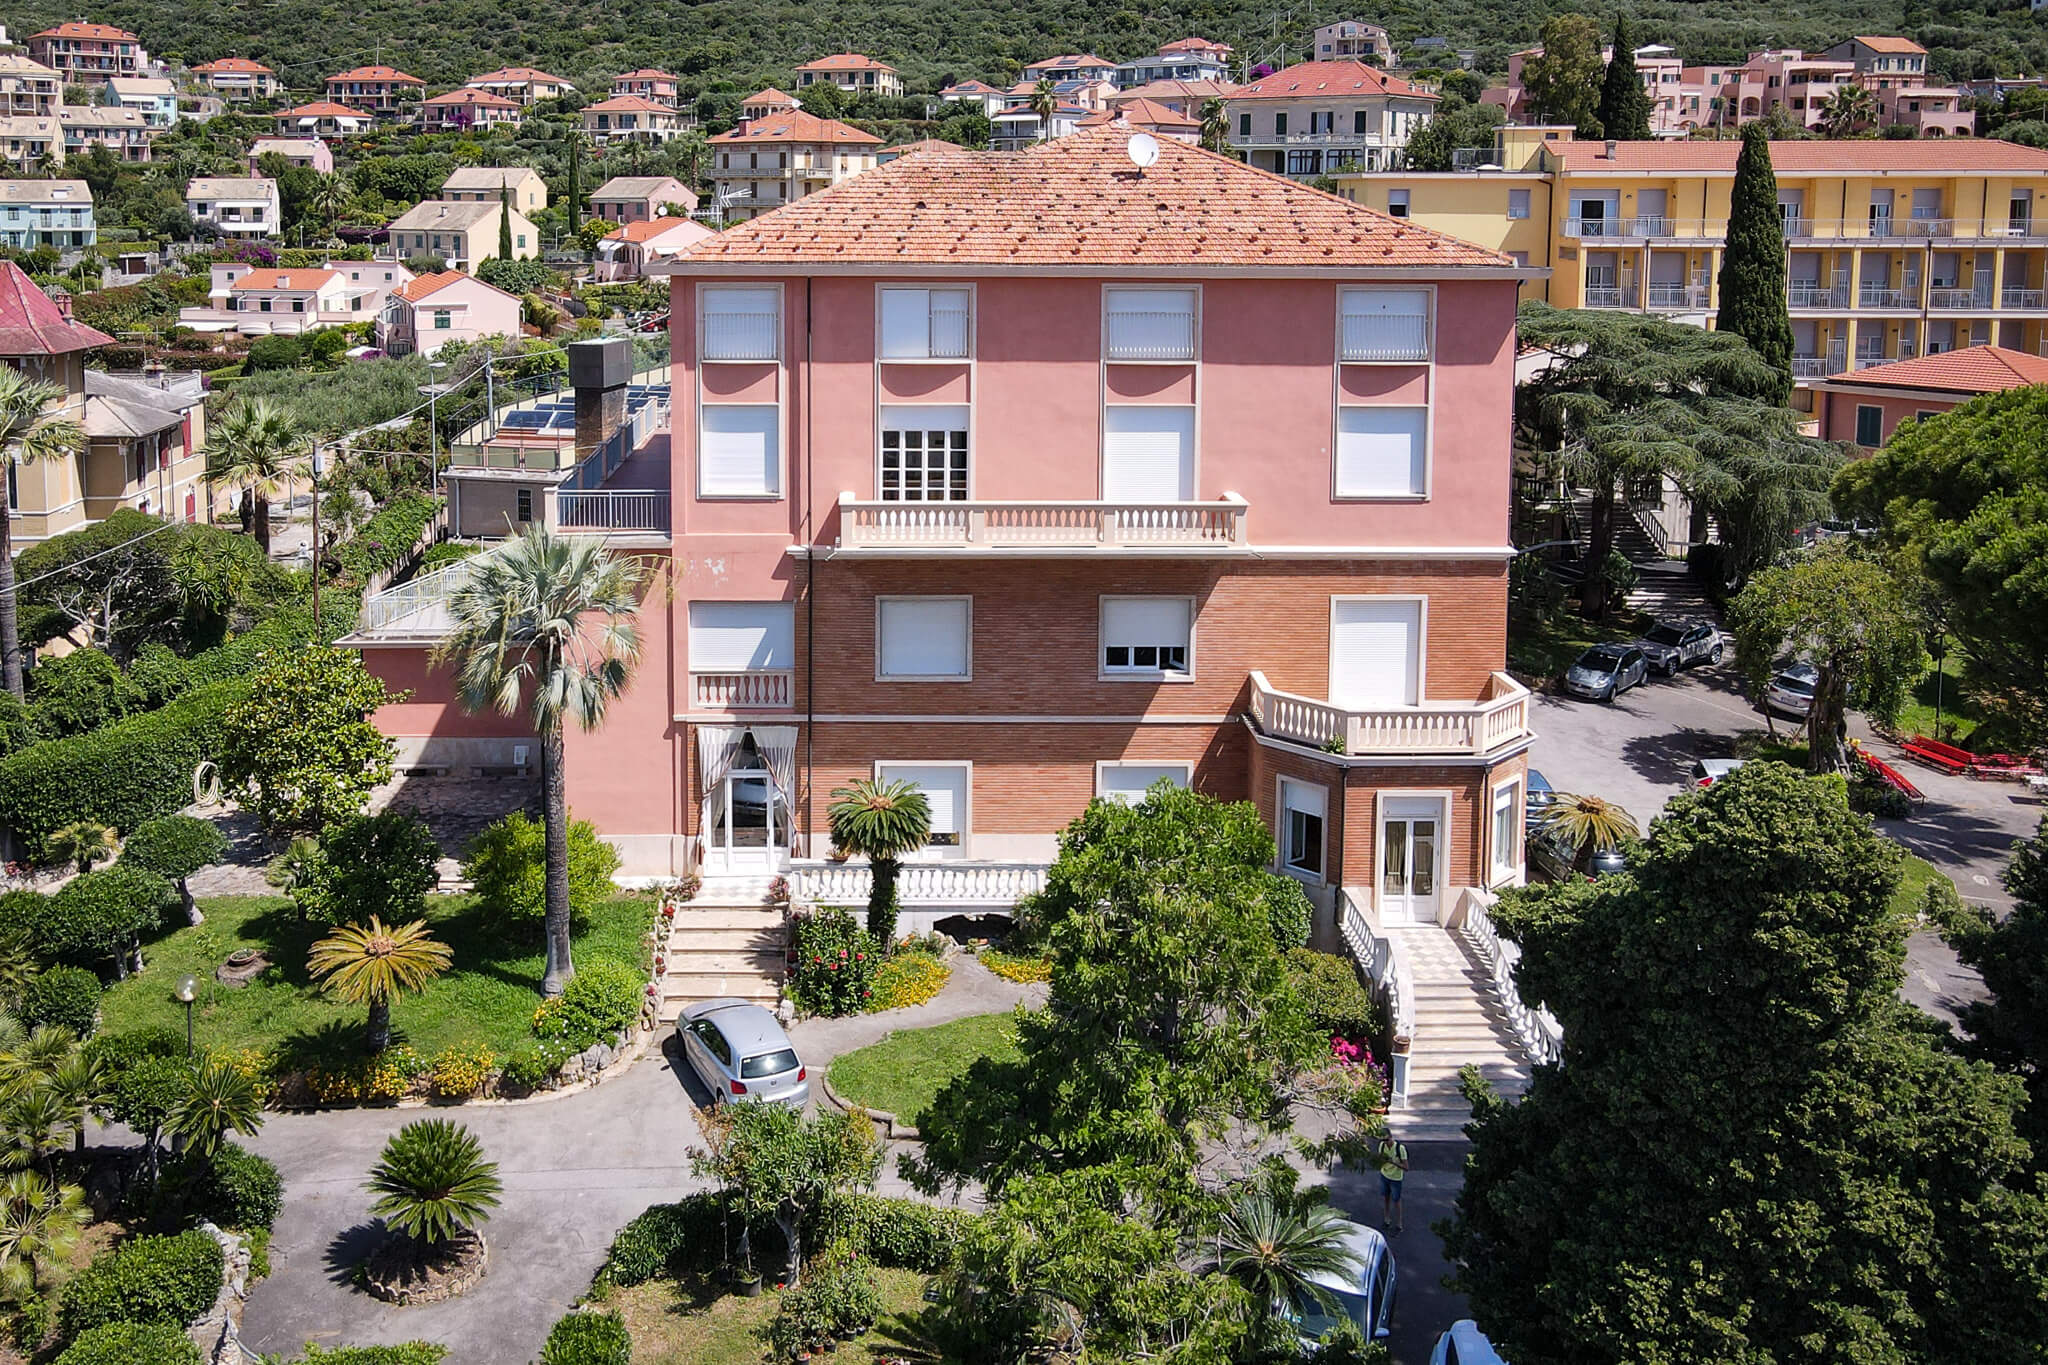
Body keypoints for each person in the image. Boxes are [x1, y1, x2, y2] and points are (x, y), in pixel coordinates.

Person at [1377, 1134, 1409, 1232]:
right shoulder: (1382, 1146)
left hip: (1395, 1178)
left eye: (1387, 1139)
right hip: (1385, 1175)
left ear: (1391, 1137)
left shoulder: (1400, 1148)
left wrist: (1393, 1162)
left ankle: (1399, 1224)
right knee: (1386, 1197)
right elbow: (1379, 1158)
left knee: (1396, 1200)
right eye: (1384, 1140)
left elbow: (1406, 1167)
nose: (1386, 1142)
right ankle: (1387, 1219)